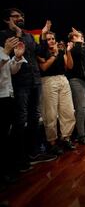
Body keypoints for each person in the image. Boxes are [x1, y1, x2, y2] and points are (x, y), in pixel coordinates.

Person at [0, 8, 56, 172]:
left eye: (21, 15)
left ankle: (33, 153)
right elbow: (9, 57)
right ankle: (19, 157)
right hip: (18, 84)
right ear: (7, 20)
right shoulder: (3, 35)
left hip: (34, 81)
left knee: (34, 119)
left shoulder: (29, 36)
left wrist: (44, 36)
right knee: (20, 121)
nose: (20, 18)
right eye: (15, 16)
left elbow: (41, 52)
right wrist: (17, 33)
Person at [37, 26, 77, 155]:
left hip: (63, 80)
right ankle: (52, 142)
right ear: (44, 40)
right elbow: (43, 67)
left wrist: (68, 52)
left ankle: (66, 137)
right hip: (48, 81)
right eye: (48, 39)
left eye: (53, 38)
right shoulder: (41, 52)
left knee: (68, 111)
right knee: (51, 114)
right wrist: (54, 55)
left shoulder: (60, 51)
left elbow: (69, 66)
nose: (52, 41)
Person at [0, 37, 25, 189]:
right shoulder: (3, 50)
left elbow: (11, 70)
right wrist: (7, 52)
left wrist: (16, 57)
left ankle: (6, 171)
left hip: (7, 95)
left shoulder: (1, 50)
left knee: (6, 136)